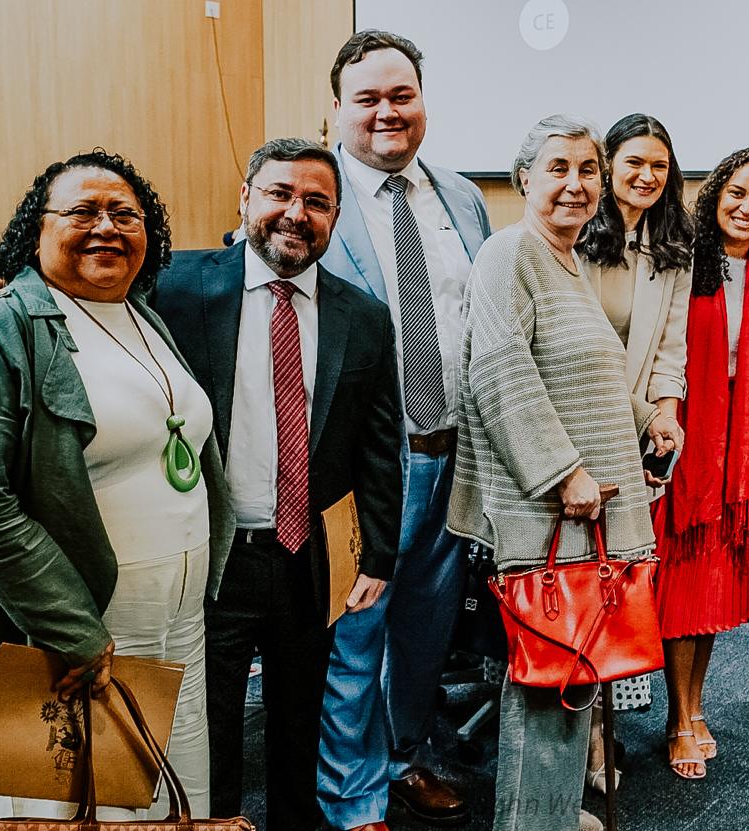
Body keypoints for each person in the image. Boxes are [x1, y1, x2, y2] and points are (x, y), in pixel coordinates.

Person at [0, 150, 233, 824]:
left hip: (173, 621)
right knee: (70, 811)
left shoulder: (140, 313)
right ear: (34, 229)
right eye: (82, 211)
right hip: (67, 636)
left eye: (124, 213)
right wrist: (74, 629)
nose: (106, 225)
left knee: (165, 798)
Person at [149, 138, 403, 831]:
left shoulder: (363, 316)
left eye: (316, 202)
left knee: (300, 716)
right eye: (280, 194)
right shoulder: (174, 287)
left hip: (308, 557)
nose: (296, 213)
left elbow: (380, 447)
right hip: (212, 555)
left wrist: (379, 553)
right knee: (211, 721)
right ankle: (216, 822)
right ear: (246, 199)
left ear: (335, 215)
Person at [448, 114, 670, 831]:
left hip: (587, 512)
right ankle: (531, 821)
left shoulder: (569, 259)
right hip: (551, 510)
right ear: (524, 180)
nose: (575, 185)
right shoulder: (509, 252)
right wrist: (562, 472)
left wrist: (649, 416)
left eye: (586, 170)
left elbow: (586, 372)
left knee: (573, 676)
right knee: (549, 683)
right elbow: (498, 367)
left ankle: (549, 812)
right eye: (557, 169)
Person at [318, 29, 491, 827]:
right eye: (368, 99)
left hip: (454, 452)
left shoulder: (461, 194)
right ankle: (352, 797)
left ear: (422, 101)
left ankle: (406, 753)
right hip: (365, 464)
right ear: (337, 111)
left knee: (426, 626)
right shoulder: (315, 201)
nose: (387, 112)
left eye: (402, 95)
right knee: (358, 630)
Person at [653, 147, 749, 780]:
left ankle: (695, 704)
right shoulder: (683, 259)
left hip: (740, 445)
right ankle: (678, 718)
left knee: (710, 586)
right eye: (736, 193)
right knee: (680, 586)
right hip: (686, 441)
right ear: (715, 194)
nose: (747, 207)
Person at [576, 111, 692, 787]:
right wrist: (643, 413)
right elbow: (583, 356)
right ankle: (584, 741)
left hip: (637, 440)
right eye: (633, 163)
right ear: (607, 164)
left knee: (618, 588)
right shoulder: (577, 240)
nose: (647, 176)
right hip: (583, 432)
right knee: (577, 590)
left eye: (659, 164)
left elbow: (668, 347)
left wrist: (666, 416)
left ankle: (604, 730)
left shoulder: (667, 245)